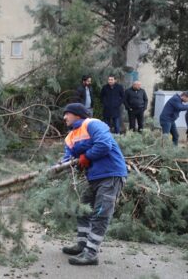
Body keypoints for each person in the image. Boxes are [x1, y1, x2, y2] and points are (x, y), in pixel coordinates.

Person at [60, 103, 128, 266]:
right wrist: (57, 167)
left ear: (77, 114)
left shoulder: (93, 124)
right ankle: (82, 245)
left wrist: (86, 157)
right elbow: (67, 158)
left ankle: (91, 253)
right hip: (94, 177)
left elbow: (104, 145)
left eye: (67, 114)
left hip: (111, 174)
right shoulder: (70, 137)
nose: (64, 117)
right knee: (83, 210)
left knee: (100, 214)